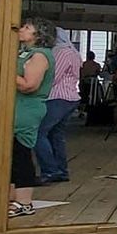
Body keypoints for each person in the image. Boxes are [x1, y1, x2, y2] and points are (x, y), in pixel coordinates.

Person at [9, 19, 55, 218]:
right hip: (16, 106)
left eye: (27, 28)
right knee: (11, 151)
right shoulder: (25, 53)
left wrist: (3, 70)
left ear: (38, 35)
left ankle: (24, 202)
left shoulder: (40, 55)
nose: (21, 30)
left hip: (26, 108)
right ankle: (11, 197)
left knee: (21, 151)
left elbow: (29, 85)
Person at [35, 34, 82, 183]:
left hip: (58, 97)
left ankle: (50, 170)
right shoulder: (73, 52)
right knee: (56, 135)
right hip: (69, 97)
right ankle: (61, 170)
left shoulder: (61, 52)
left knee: (38, 133)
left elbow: (54, 77)